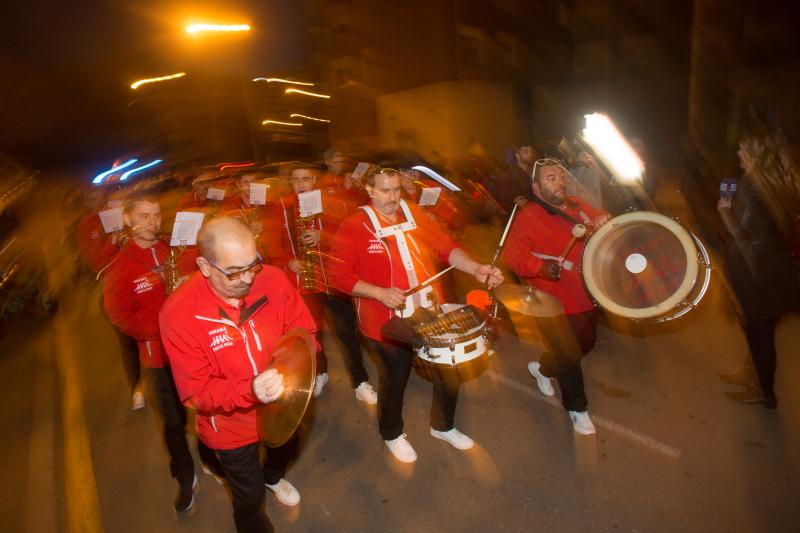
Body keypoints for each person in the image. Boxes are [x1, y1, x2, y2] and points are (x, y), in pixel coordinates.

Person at [328, 167, 503, 463]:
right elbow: (338, 276)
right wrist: (380, 293)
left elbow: (446, 248)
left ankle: (443, 425)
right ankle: (392, 433)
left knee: (449, 370)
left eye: (396, 189)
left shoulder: (413, 213)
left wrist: (476, 268)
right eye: (385, 190)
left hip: (428, 308)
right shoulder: (355, 225)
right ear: (369, 190)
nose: (393, 197)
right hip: (384, 319)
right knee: (396, 377)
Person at [160, 216, 317, 533]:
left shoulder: (272, 279)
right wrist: (251, 390)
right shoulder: (177, 314)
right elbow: (197, 393)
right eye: (234, 272)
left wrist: (292, 370)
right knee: (249, 499)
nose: (247, 278)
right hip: (229, 429)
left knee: (281, 453)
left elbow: (305, 332)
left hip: (285, 405)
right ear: (204, 266)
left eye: (253, 265)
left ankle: (274, 476)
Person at [102, 191, 198, 514]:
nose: (152, 223)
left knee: (206, 409)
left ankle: (215, 458)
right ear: (128, 219)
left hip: (192, 350)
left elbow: (205, 275)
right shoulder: (120, 266)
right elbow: (119, 315)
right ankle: (185, 476)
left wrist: (192, 278)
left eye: (156, 216)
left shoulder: (175, 246)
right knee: (173, 424)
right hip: (157, 359)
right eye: (144, 216)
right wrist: (160, 328)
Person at [503, 158, 610, 435]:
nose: (559, 182)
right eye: (551, 178)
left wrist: (602, 221)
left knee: (584, 345)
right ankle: (577, 409)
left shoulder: (576, 204)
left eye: (561, 177)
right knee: (570, 353)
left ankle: (542, 368)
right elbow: (512, 256)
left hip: (586, 293)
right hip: (552, 301)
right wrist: (539, 267)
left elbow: (600, 220)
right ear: (536, 186)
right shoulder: (530, 215)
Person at [717, 140, 800, 409]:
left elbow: (741, 232)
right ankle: (751, 374)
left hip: (756, 271)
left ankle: (764, 391)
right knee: (759, 330)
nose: (738, 153)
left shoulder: (751, 186)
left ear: (753, 155)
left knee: (759, 334)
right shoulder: (780, 181)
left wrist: (725, 210)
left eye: (742, 149)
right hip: (775, 267)